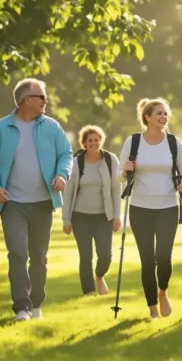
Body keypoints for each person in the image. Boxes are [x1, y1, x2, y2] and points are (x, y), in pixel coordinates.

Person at [0, 77, 73, 322]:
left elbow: (66, 153)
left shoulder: (52, 127)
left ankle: (37, 303)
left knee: (39, 255)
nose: (45, 100)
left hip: (43, 203)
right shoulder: (1, 128)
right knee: (18, 253)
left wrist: (62, 174)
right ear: (25, 100)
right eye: (41, 96)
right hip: (13, 204)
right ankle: (22, 307)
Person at [117, 98, 182, 320]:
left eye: (165, 113)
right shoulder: (133, 142)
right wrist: (125, 170)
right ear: (147, 117)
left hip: (168, 206)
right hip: (140, 208)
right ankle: (152, 309)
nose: (163, 117)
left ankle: (162, 292)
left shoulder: (173, 142)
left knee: (164, 258)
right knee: (147, 260)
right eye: (159, 113)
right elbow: (118, 176)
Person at [62, 125, 122, 296]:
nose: (94, 143)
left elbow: (116, 190)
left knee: (105, 255)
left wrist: (117, 216)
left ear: (101, 141)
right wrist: (66, 219)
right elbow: (68, 192)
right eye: (90, 140)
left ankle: (99, 276)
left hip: (104, 216)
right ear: (84, 143)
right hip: (80, 217)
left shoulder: (111, 160)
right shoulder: (76, 163)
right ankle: (88, 291)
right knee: (85, 256)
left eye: (97, 140)